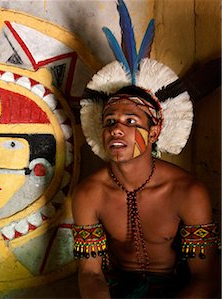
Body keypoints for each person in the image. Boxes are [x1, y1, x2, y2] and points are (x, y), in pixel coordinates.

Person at [71, 1, 220, 298]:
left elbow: (205, 279)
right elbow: (90, 274)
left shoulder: (188, 192)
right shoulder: (89, 193)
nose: (117, 128)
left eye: (130, 121)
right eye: (110, 120)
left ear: (154, 131)